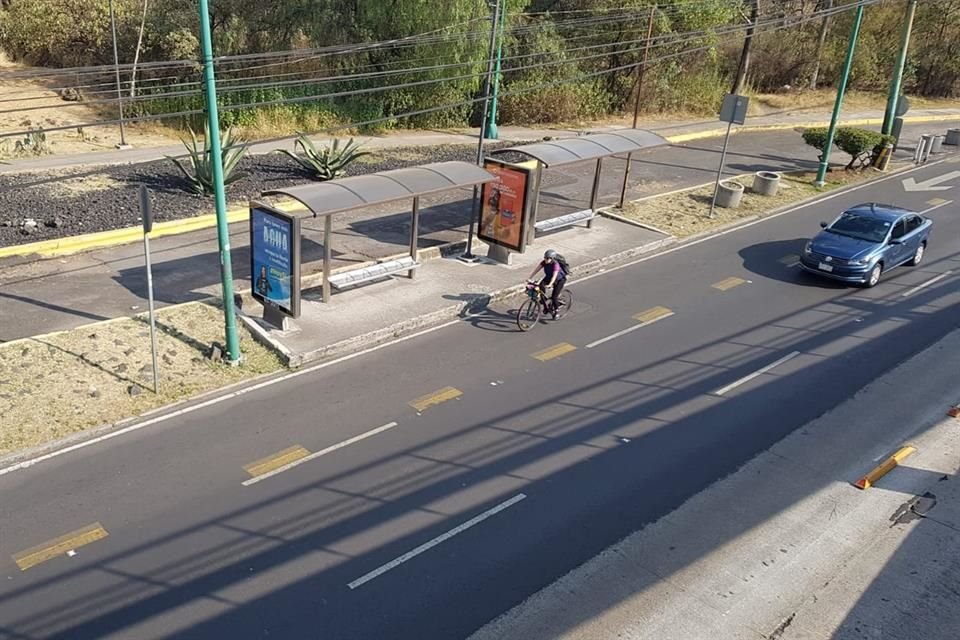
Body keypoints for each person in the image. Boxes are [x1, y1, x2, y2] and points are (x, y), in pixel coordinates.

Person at [528, 249, 567, 319]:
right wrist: (530, 278)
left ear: (552, 259)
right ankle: (545, 302)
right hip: (548, 277)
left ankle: (556, 311)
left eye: (547, 258)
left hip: (559, 280)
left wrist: (550, 284)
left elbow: (554, 276)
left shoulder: (556, 265)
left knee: (554, 297)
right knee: (540, 286)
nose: (545, 259)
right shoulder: (544, 262)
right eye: (544, 257)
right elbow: (536, 270)